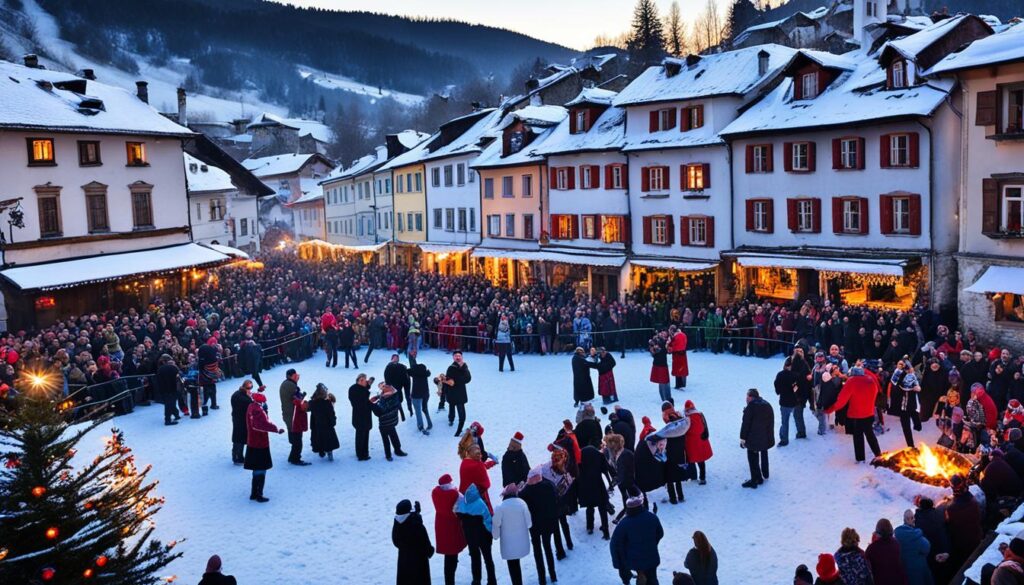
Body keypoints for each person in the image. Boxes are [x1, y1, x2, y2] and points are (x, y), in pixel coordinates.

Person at [825, 366, 882, 463]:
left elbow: (841, 401)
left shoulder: (851, 382)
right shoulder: (870, 380)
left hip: (857, 415)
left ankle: (860, 459)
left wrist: (830, 409)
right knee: (870, 434)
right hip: (869, 413)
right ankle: (878, 454)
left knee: (858, 436)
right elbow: (876, 392)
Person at [610, 494, 664, 585]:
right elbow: (660, 533)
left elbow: (614, 544)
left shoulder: (624, 524)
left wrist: (618, 564)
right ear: (641, 505)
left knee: (641, 579)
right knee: (652, 579)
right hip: (652, 556)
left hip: (635, 561)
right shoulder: (651, 517)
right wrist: (652, 544)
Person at [243, 388, 284, 503]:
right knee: (261, 469)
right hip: (259, 443)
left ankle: (253, 493)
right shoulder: (257, 410)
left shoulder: (252, 406)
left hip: (253, 442)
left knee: (256, 469)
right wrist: (276, 429)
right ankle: (258, 494)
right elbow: (261, 424)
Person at [519, 467, 559, 585]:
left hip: (534, 526)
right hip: (548, 523)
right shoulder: (548, 486)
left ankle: (541, 578)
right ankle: (553, 575)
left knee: (537, 551)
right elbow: (555, 501)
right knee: (548, 548)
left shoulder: (525, 492)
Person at [456, 484, 499, 585]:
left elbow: (456, 512)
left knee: (475, 559)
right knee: (488, 559)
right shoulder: (481, 503)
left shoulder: (462, 504)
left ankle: (476, 580)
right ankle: (492, 581)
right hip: (484, 537)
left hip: (471, 538)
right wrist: (491, 532)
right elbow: (488, 520)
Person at [492, 483, 532, 585]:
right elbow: (529, 524)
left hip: (508, 545)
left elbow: (496, 524)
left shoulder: (500, 507)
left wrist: (495, 536)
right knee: (517, 563)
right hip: (521, 543)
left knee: (512, 565)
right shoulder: (522, 503)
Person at [432, 474, 466, 585]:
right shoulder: (455, 494)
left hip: (441, 526)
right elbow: (463, 503)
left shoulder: (435, 494)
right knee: (453, 554)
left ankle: (448, 580)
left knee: (448, 554)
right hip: (452, 527)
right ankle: (450, 581)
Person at [946, 473, 983, 571]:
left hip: (963, 544)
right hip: (977, 537)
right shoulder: (973, 501)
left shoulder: (951, 509)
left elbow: (951, 526)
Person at [392, 499, 433, 585]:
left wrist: (416, 514)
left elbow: (396, 542)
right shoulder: (417, 525)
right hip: (419, 563)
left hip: (404, 561)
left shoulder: (397, 524)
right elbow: (426, 545)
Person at [740, 388, 774, 488]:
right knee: (764, 454)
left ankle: (755, 480)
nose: (746, 398)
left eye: (747, 396)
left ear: (751, 397)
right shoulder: (767, 404)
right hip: (765, 437)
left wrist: (743, 438)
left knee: (752, 459)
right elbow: (771, 422)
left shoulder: (750, 407)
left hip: (753, 439)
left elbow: (746, 424)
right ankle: (765, 473)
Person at [578, 444, 611, 539]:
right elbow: (604, 469)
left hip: (586, 486)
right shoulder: (599, 456)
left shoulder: (580, 457)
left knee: (590, 507)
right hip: (598, 484)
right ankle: (605, 530)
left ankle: (590, 527)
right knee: (602, 508)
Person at [914, 497, 951, 584]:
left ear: (921, 507)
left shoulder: (918, 519)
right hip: (942, 548)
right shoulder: (938, 514)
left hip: (929, 553)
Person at [890, 359, 923, 448]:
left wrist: (917, 387)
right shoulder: (897, 374)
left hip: (911, 401)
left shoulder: (912, 375)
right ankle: (910, 445)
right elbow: (895, 383)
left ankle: (917, 426)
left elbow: (916, 384)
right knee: (906, 425)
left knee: (915, 418)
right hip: (902, 403)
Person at [370, 382, 407, 461]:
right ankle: (397, 450)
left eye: (384, 387)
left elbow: (379, 412)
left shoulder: (387, 398)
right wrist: (378, 397)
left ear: (389, 387)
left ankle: (389, 454)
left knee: (386, 438)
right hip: (392, 421)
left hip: (385, 423)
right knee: (393, 435)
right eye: (382, 387)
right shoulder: (393, 394)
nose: (382, 389)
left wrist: (371, 405)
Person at [278, 369, 308, 465]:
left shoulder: (285, 384)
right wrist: (303, 398)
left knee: (293, 434)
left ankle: (292, 456)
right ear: (290, 376)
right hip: (293, 414)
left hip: (287, 413)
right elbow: (298, 399)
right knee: (297, 438)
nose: (297, 377)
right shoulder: (291, 385)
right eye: (295, 376)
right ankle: (295, 458)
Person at [894, 509, 932, 585]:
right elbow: (927, 548)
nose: (914, 519)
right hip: (920, 570)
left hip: (906, 573)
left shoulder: (897, 536)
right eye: (912, 517)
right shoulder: (916, 536)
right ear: (907, 519)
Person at [864, 518, 906, 584]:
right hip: (898, 580)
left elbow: (866, 565)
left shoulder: (872, 548)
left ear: (878, 532)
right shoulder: (896, 543)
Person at [682, 400, 712, 485]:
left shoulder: (687, 418)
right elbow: (705, 426)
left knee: (691, 459)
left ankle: (692, 476)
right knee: (701, 460)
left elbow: (684, 430)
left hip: (690, 443)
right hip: (701, 441)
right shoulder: (700, 414)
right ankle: (702, 478)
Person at [775, 358, 803, 446]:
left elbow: (777, 389)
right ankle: (801, 432)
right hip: (795, 401)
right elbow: (799, 388)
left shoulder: (780, 375)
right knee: (798, 418)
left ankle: (784, 439)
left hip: (784, 402)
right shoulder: (796, 375)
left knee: (785, 421)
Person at [460, 443, 495, 512]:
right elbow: (487, 484)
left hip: (465, 495)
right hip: (478, 496)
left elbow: (482, 466)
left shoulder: (464, 462)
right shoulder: (478, 465)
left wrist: (492, 463)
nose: (480, 456)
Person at [309, 383, 339, 461]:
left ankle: (321, 451)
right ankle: (329, 452)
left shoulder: (313, 403)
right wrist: (333, 422)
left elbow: (312, 414)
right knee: (328, 440)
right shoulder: (327, 403)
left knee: (319, 439)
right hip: (327, 425)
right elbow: (331, 414)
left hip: (317, 425)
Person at [445, 351, 472, 436]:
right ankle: (451, 419)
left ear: (462, 357)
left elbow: (468, 379)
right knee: (451, 406)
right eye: (456, 356)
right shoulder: (450, 368)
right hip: (452, 392)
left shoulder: (464, 367)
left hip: (460, 392)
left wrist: (464, 369)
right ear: (453, 357)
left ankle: (460, 427)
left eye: (459, 356)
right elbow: (448, 380)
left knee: (461, 411)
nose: (458, 357)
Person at [348, 373, 374, 461]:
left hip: (365, 415)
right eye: (363, 380)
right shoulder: (354, 389)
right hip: (359, 416)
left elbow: (365, 390)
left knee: (366, 434)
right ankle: (360, 454)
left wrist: (369, 384)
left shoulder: (361, 388)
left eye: (365, 379)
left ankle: (365, 453)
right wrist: (369, 401)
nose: (365, 381)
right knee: (360, 435)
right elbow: (359, 402)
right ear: (359, 380)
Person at [229, 380, 255, 464]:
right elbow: (250, 405)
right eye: (248, 388)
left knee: (239, 438)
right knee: (240, 438)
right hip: (240, 420)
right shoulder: (242, 398)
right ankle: (237, 457)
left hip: (238, 419)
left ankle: (237, 455)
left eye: (251, 388)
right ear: (244, 387)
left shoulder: (237, 394)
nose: (250, 390)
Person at [408, 351, 432, 434]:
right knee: (425, 409)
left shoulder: (414, 373)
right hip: (426, 393)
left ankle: (420, 426)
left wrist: (410, 356)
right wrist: (412, 357)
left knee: (418, 411)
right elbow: (414, 365)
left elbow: (412, 366)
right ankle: (429, 423)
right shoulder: (425, 374)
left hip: (416, 395)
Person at [155, 354, 181, 426]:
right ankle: (168, 420)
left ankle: (176, 415)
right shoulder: (173, 368)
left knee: (169, 404)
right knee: (170, 404)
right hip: (173, 388)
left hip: (163, 389)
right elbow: (179, 376)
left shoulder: (160, 369)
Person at [289, 382, 310, 465]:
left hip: (295, 425)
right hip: (297, 425)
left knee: (296, 443)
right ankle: (295, 459)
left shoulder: (294, 400)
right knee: (298, 444)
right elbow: (303, 407)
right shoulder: (297, 402)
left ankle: (292, 457)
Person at [385, 353, 412, 420]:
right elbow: (386, 377)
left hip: (406, 382)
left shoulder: (401, 365)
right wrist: (389, 386)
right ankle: (402, 414)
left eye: (397, 358)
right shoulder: (389, 366)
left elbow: (407, 371)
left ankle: (410, 410)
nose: (396, 359)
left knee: (408, 396)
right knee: (399, 399)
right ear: (392, 359)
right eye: (394, 357)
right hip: (396, 385)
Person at [650, 334, 672, 405]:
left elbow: (669, 351)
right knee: (662, 382)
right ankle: (665, 399)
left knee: (664, 382)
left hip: (662, 364)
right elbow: (653, 353)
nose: (663, 334)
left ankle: (667, 398)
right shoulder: (656, 342)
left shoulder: (665, 342)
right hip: (659, 364)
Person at [668, 325, 688, 389]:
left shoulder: (674, 337)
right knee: (683, 369)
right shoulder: (683, 334)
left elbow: (672, 346)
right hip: (683, 354)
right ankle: (683, 383)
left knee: (677, 370)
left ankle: (678, 384)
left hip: (677, 355)